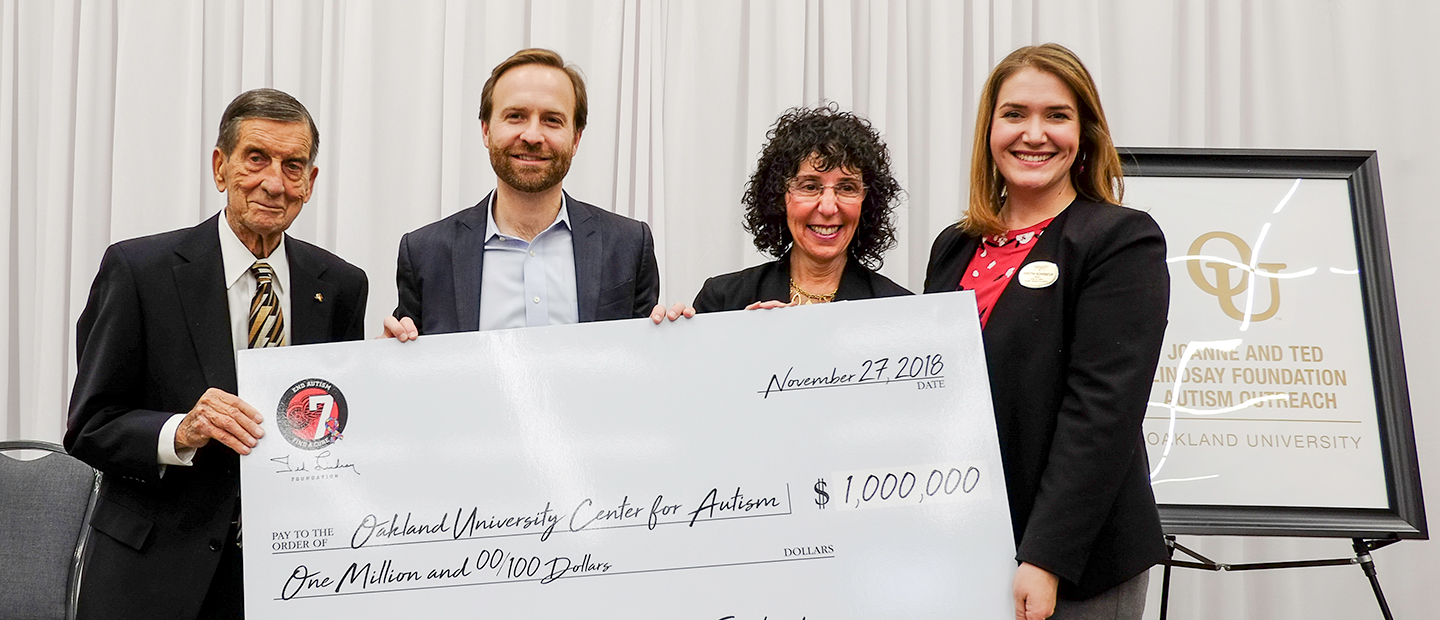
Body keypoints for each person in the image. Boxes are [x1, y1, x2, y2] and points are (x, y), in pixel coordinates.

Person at [65, 89, 368, 620]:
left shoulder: (341, 285)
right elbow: (90, 426)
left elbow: (335, 427)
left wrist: (392, 369)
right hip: (152, 575)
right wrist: (179, 432)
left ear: (311, 183)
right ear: (219, 166)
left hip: (289, 575)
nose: (274, 183)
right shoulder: (139, 271)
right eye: (256, 158)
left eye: (293, 166)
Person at [923, 44, 1168, 620]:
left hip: (1073, 562)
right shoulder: (954, 246)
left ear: (1084, 133)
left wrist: (1046, 557)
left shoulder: (1119, 241)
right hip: (964, 544)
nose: (1034, 134)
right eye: (1014, 114)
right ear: (990, 129)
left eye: (1056, 115)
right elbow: (922, 383)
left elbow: (1102, 412)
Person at [383, 48, 658, 341]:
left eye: (552, 120)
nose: (532, 136)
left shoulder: (628, 245)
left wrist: (675, 338)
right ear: (486, 131)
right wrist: (389, 360)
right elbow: (417, 375)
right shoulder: (425, 253)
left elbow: (643, 368)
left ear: (576, 139)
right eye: (515, 116)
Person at [683, 103, 909, 315]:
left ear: (866, 202)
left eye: (847, 187)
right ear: (779, 197)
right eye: (810, 186)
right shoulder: (722, 301)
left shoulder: (900, 311)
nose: (829, 207)